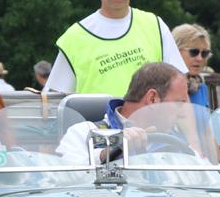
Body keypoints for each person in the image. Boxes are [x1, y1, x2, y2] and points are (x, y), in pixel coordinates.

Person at [44, 0, 187, 96]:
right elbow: (54, 101)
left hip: (150, 119)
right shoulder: (74, 38)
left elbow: (179, 86)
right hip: (95, 120)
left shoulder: (154, 25)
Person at [56, 62, 189, 163]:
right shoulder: (83, 132)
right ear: (152, 98)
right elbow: (67, 180)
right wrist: (108, 152)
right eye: (178, 104)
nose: (183, 114)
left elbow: (205, 179)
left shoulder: (176, 142)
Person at [171, 23, 213, 109]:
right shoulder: (162, 87)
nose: (200, 58)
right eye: (194, 52)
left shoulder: (201, 88)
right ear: (176, 50)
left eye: (204, 53)